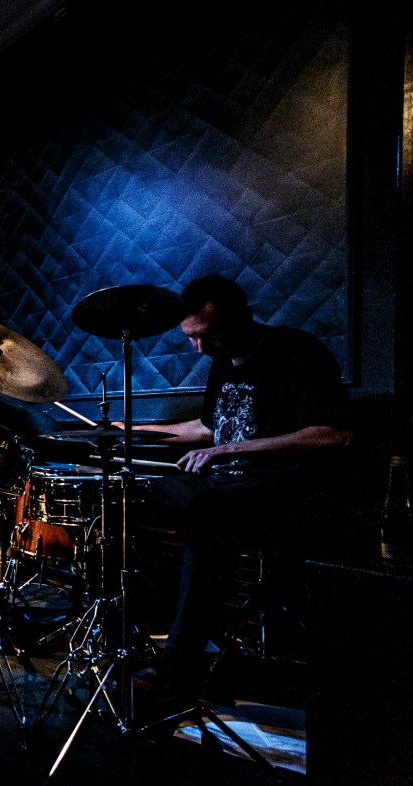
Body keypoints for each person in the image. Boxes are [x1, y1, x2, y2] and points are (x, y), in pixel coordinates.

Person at [129, 274, 353, 707]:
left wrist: (228, 450)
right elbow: (208, 428)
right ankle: (140, 635)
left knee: (209, 512)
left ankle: (178, 664)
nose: (201, 349)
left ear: (243, 317)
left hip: (290, 489)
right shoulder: (222, 359)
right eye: (192, 338)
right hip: (229, 484)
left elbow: (334, 434)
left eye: (210, 335)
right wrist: (135, 431)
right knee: (139, 495)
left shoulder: (296, 352)